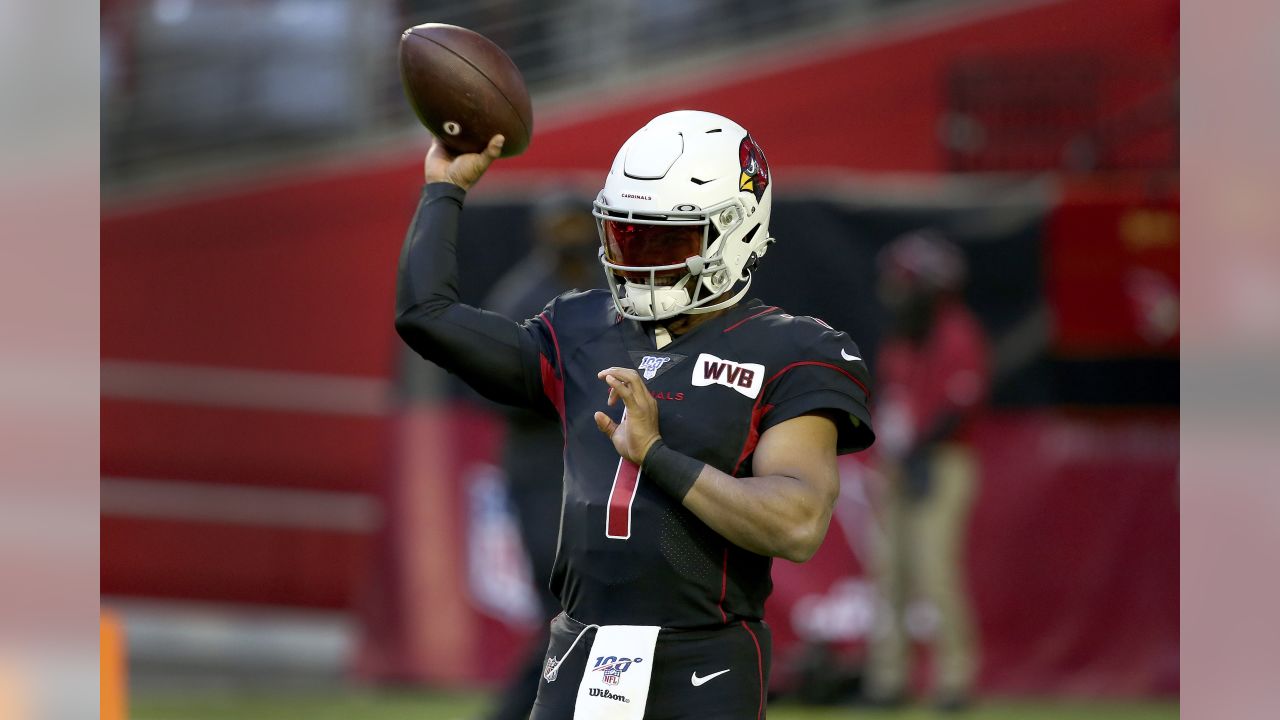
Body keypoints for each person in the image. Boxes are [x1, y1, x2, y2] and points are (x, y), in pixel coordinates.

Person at [395, 110, 874, 719]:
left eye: (665, 240)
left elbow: (797, 523)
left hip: (703, 658)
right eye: (627, 236)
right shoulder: (578, 325)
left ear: (735, 230)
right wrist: (445, 186)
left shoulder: (790, 348)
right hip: (579, 649)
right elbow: (425, 317)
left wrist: (657, 456)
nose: (639, 260)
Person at [481, 193, 601, 720]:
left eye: (579, 224)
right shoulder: (522, 298)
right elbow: (497, 390)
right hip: (541, 475)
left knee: (589, 609)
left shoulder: (608, 290)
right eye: (561, 225)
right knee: (565, 610)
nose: (571, 236)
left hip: (595, 477)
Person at [864, 230, 990, 712]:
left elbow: (960, 404)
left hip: (944, 461)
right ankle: (888, 681)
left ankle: (955, 680)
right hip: (900, 463)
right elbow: (894, 402)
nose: (896, 291)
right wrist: (894, 454)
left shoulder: (957, 332)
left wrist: (917, 451)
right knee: (888, 573)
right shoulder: (902, 340)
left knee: (934, 571)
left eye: (905, 281)